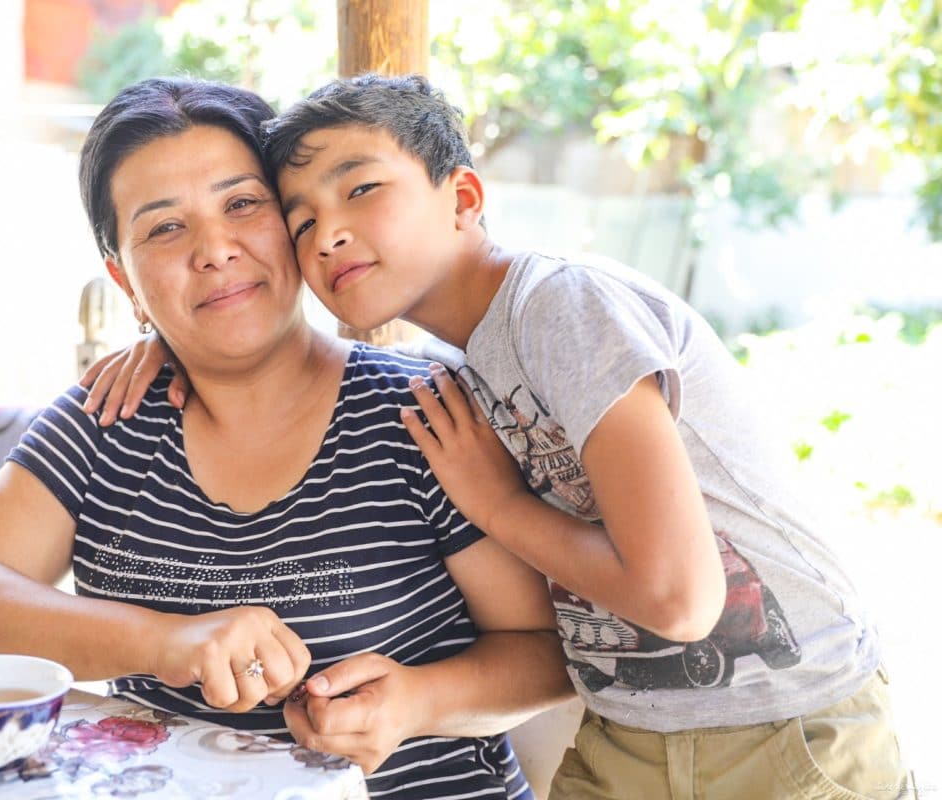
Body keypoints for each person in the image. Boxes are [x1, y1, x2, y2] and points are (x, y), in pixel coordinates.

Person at [85, 74, 914, 798]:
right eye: (299, 220)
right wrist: (176, 335)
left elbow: (680, 600)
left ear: (465, 198)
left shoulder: (562, 308)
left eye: (362, 189)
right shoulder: (464, 361)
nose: (327, 233)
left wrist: (496, 504)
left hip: (792, 728)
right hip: (631, 730)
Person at [0, 77, 575, 799]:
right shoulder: (107, 421)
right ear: (124, 278)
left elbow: (550, 648)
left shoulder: (424, 411)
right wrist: (162, 642)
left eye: (242, 204)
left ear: (292, 222)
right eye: (164, 226)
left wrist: (418, 701)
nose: (214, 249)